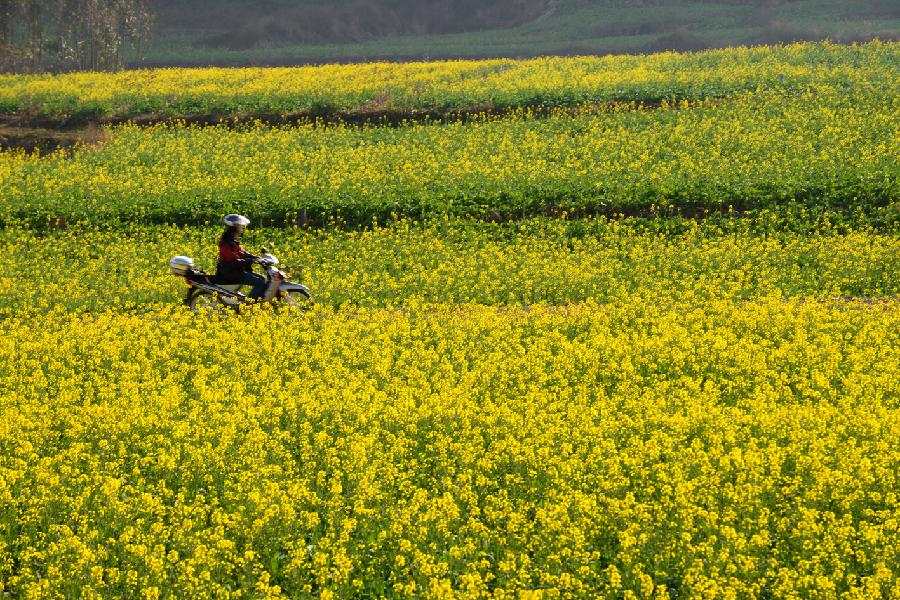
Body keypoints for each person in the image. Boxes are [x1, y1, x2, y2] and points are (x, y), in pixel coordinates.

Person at [216, 214, 267, 300]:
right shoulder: (226, 242)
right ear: (234, 227)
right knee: (260, 282)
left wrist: (256, 257)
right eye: (240, 225)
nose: (242, 227)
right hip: (230, 272)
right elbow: (234, 261)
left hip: (235, 271)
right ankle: (249, 305)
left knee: (263, 279)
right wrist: (250, 260)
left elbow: (242, 252)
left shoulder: (232, 239)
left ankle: (258, 302)